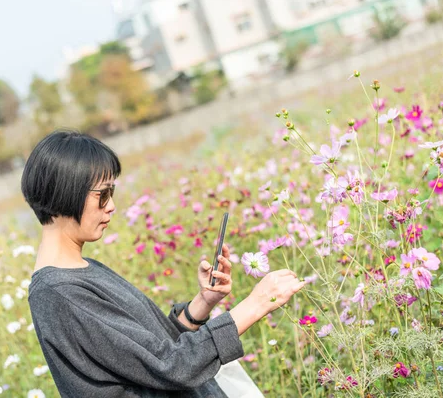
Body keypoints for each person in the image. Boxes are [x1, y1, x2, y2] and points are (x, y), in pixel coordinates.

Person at [22, 130, 306, 398]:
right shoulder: (60, 293)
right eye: (102, 195)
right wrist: (256, 304)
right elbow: (172, 366)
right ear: (64, 193)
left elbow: (151, 355)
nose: (111, 206)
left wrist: (200, 306)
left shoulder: (80, 271)